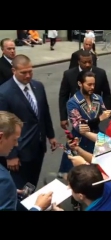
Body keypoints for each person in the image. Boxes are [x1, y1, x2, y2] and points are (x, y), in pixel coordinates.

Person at [0, 54, 57, 189]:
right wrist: (11, 156)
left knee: (32, 185)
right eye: (23, 73)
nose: (28, 76)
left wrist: (51, 135)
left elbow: (44, 112)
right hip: (19, 152)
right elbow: (3, 126)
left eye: (30, 71)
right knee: (19, 188)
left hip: (38, 147)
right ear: (14, 71)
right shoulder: (4, 93)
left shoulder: (38, 86)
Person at [59, 50, 111, 130]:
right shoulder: (69, 75)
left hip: (98, 132)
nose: (87, 65)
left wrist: (108, 114)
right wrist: (63, 117)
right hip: (83, 135)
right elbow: (80, 127)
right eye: (84, 62)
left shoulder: (101, 74)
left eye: (90, 62)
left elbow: (107, 94)